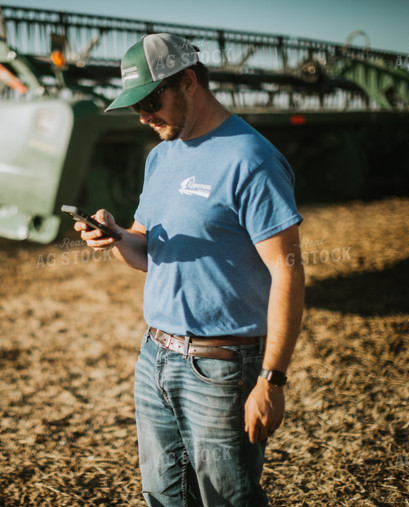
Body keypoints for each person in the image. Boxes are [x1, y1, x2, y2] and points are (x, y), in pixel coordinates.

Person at [76, 33, 305, 506]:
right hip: (155, 358)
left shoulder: (251, 159)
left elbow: (288, 273)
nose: (142, 116)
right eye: (134, 106)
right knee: (163, 495)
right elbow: (146, 250)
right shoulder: (160, 157)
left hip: (221, 369)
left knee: (227, 499)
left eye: (150, 100)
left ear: (188, 83)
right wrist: (115, 236)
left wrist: (272, 380)